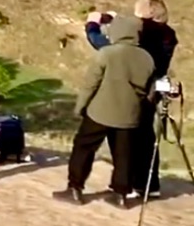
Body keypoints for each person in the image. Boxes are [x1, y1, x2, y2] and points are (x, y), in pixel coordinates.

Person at [56, 14, 154, 207]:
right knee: (124, 154)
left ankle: (75, 188)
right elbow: (150, 93)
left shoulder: (107, 53)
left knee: (84, 147)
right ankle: (120, 195)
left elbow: (90, 84)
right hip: (129, 114)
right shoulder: (147, 58)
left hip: (100, 112)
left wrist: (80, 107)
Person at [131, 0, 178, 198]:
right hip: (153, 89)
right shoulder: (168, 34)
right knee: (147, 135)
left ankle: (135, 183)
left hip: (135, 88)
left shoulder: (141, 31)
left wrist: (93, 26)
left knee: (131, 135)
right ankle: (151, 183)